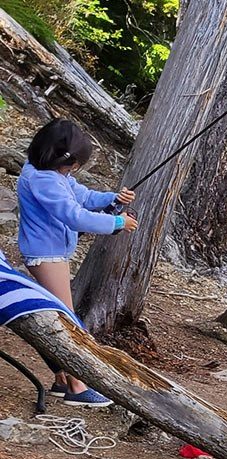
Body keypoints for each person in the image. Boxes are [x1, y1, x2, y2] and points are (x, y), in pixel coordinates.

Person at [16, 118, 139, 408]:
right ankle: (77, 386)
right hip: (45, 255)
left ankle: (61, 380)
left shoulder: (49, 172)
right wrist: (116, 222)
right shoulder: (43, 180)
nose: (72, 173)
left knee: (57, 318)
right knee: (68, 321)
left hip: (51, 253)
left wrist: (113, 198)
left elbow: (82, 195)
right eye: (71, 167)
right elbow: (74, 215)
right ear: (59, 160)